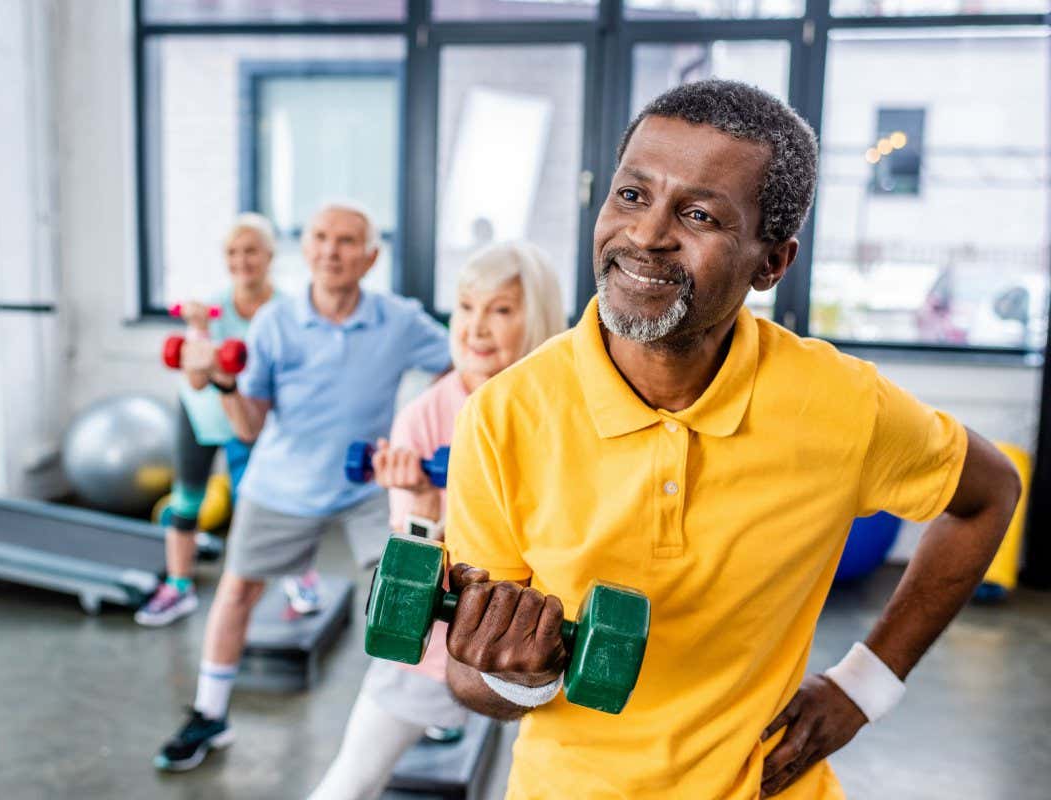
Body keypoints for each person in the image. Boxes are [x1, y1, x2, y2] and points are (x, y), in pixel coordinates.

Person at [440, 79, 1021, 799]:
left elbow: (991, 492)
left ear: (772, 261)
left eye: (699, 214)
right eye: (631, 195)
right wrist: (515, 676)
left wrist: (866, 686)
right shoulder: (503, 416)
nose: (647, 235)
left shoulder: (840, 404)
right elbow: (472, 674)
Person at [153, 202, 452, 772]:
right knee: (237, 593)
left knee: (412, 593)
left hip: (366, 485)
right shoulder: (275, 322)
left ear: (370, 256)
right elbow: (250, 426)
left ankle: (425, 702)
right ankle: (210, 713)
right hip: (282, 483)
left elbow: (458, 367)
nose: (331, 251)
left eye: (346, 241)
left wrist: (425, 429)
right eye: (320, 237)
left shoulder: (398, 319)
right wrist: (221, 380)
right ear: (305, 248)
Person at [307, 241, 566, 800]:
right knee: (351, 780)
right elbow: (416, 574)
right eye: (468, 307)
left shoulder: (559, 411)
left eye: (500, 310)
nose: (476, 327)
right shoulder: (424, 416)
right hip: (438, 645)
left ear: (537, 316)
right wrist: (425, 512)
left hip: (536, 649)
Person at [135, 213, 280, 627]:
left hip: (252, 419)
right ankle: (178, 588)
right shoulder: (212, 308)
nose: (242, 260)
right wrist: (198, 330)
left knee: (265, 508)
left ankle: (294, 578)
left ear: (269, 255)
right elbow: (197, 382)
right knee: (186, 501)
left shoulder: (285, 311)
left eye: (251, 250)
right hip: (201, 416)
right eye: (233, 252)